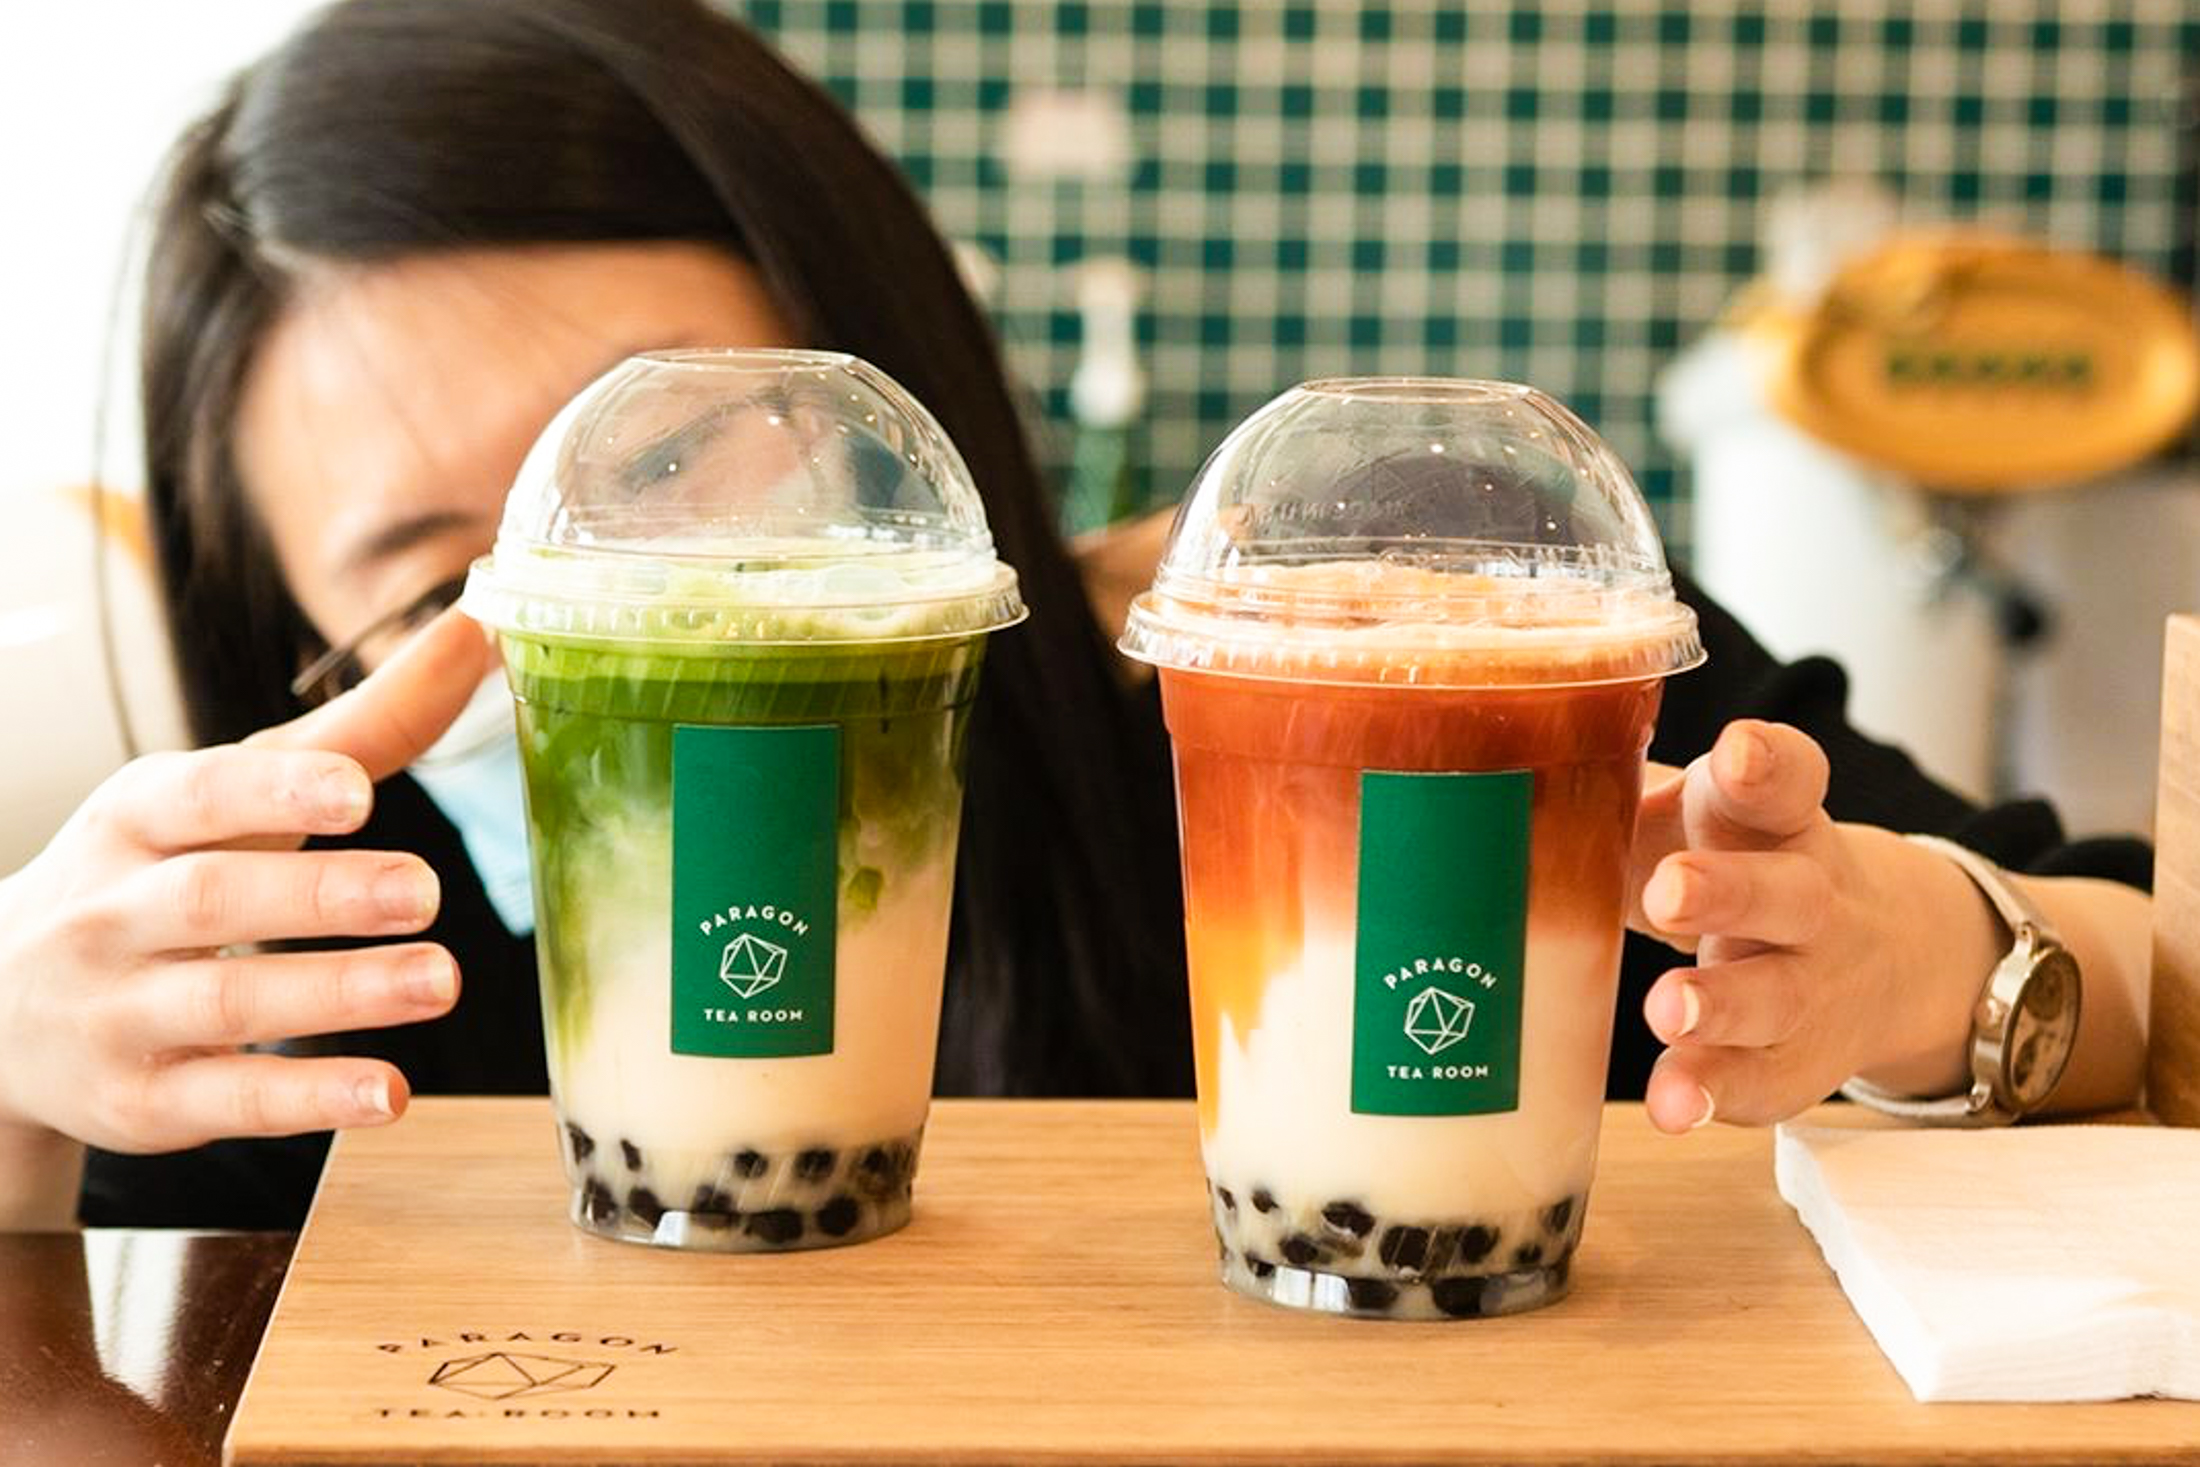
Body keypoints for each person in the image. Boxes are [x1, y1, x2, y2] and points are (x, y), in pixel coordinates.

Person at [0, 0, 2152, 1233]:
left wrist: (1928, 963)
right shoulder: (325, 971)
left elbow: (2155, 957)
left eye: (680, 451)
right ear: (308, 647)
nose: (611, 584)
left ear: (885, 372)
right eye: (429, 572)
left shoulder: (1352, 687)